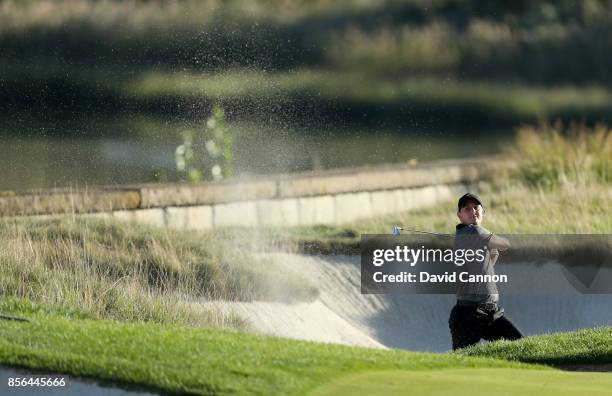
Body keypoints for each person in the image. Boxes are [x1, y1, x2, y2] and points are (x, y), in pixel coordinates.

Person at [448, 193, 523, 350]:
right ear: (459, 215)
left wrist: (490, 250)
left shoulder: (473, 238)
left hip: (489, 313)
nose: (473, 211)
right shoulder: (473, 231)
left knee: (521, 345)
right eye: (467, 209)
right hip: (468, 314)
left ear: (483, 211)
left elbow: (487, 267)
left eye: (476, 207)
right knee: (462, 366)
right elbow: (505, 244)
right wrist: (498, 243)